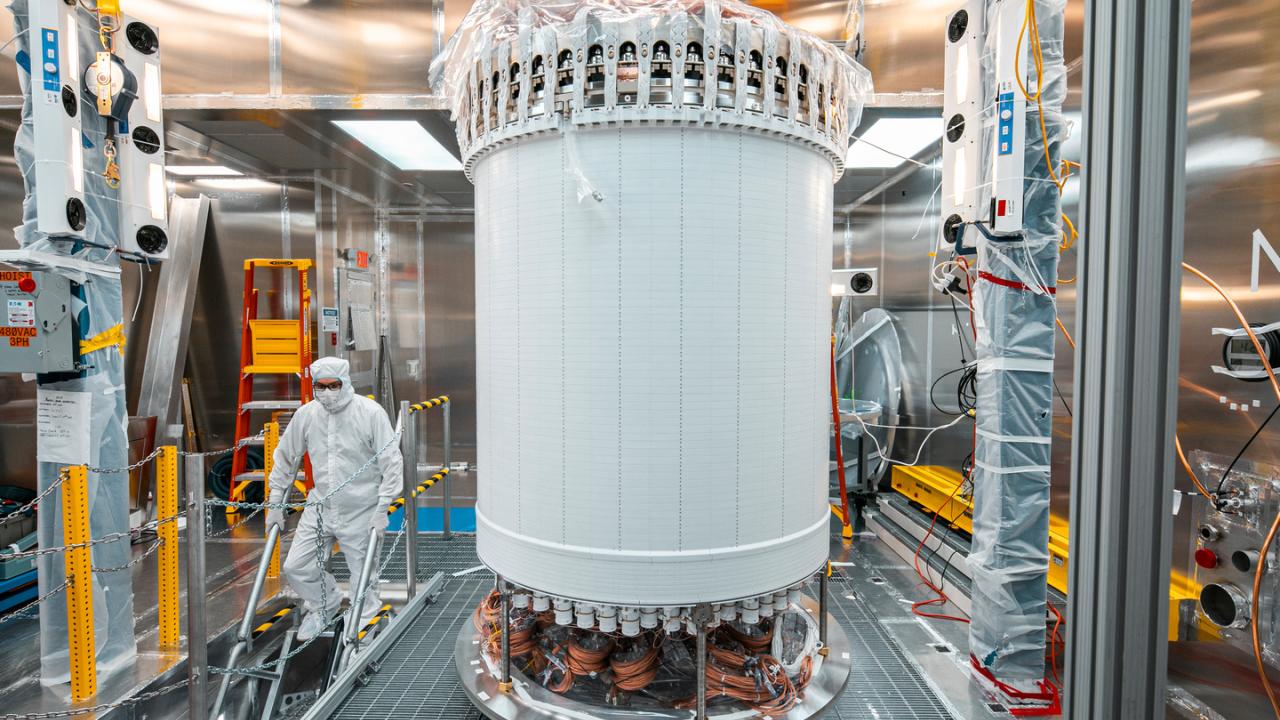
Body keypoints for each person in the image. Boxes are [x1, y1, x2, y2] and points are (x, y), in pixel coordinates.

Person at [265, 357, 402, 641]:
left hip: (361, 508)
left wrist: (382, 506)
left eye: (333, 385)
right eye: (321, 386)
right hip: (320, 506)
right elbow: (285, 457)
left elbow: (391, 462)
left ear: (345, 383)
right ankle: (323, 606)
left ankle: (360, 635)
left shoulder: (370, 413)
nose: (327, 392)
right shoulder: (307, 415)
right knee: (296, 566)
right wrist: (276, 501)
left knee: (363, 576)